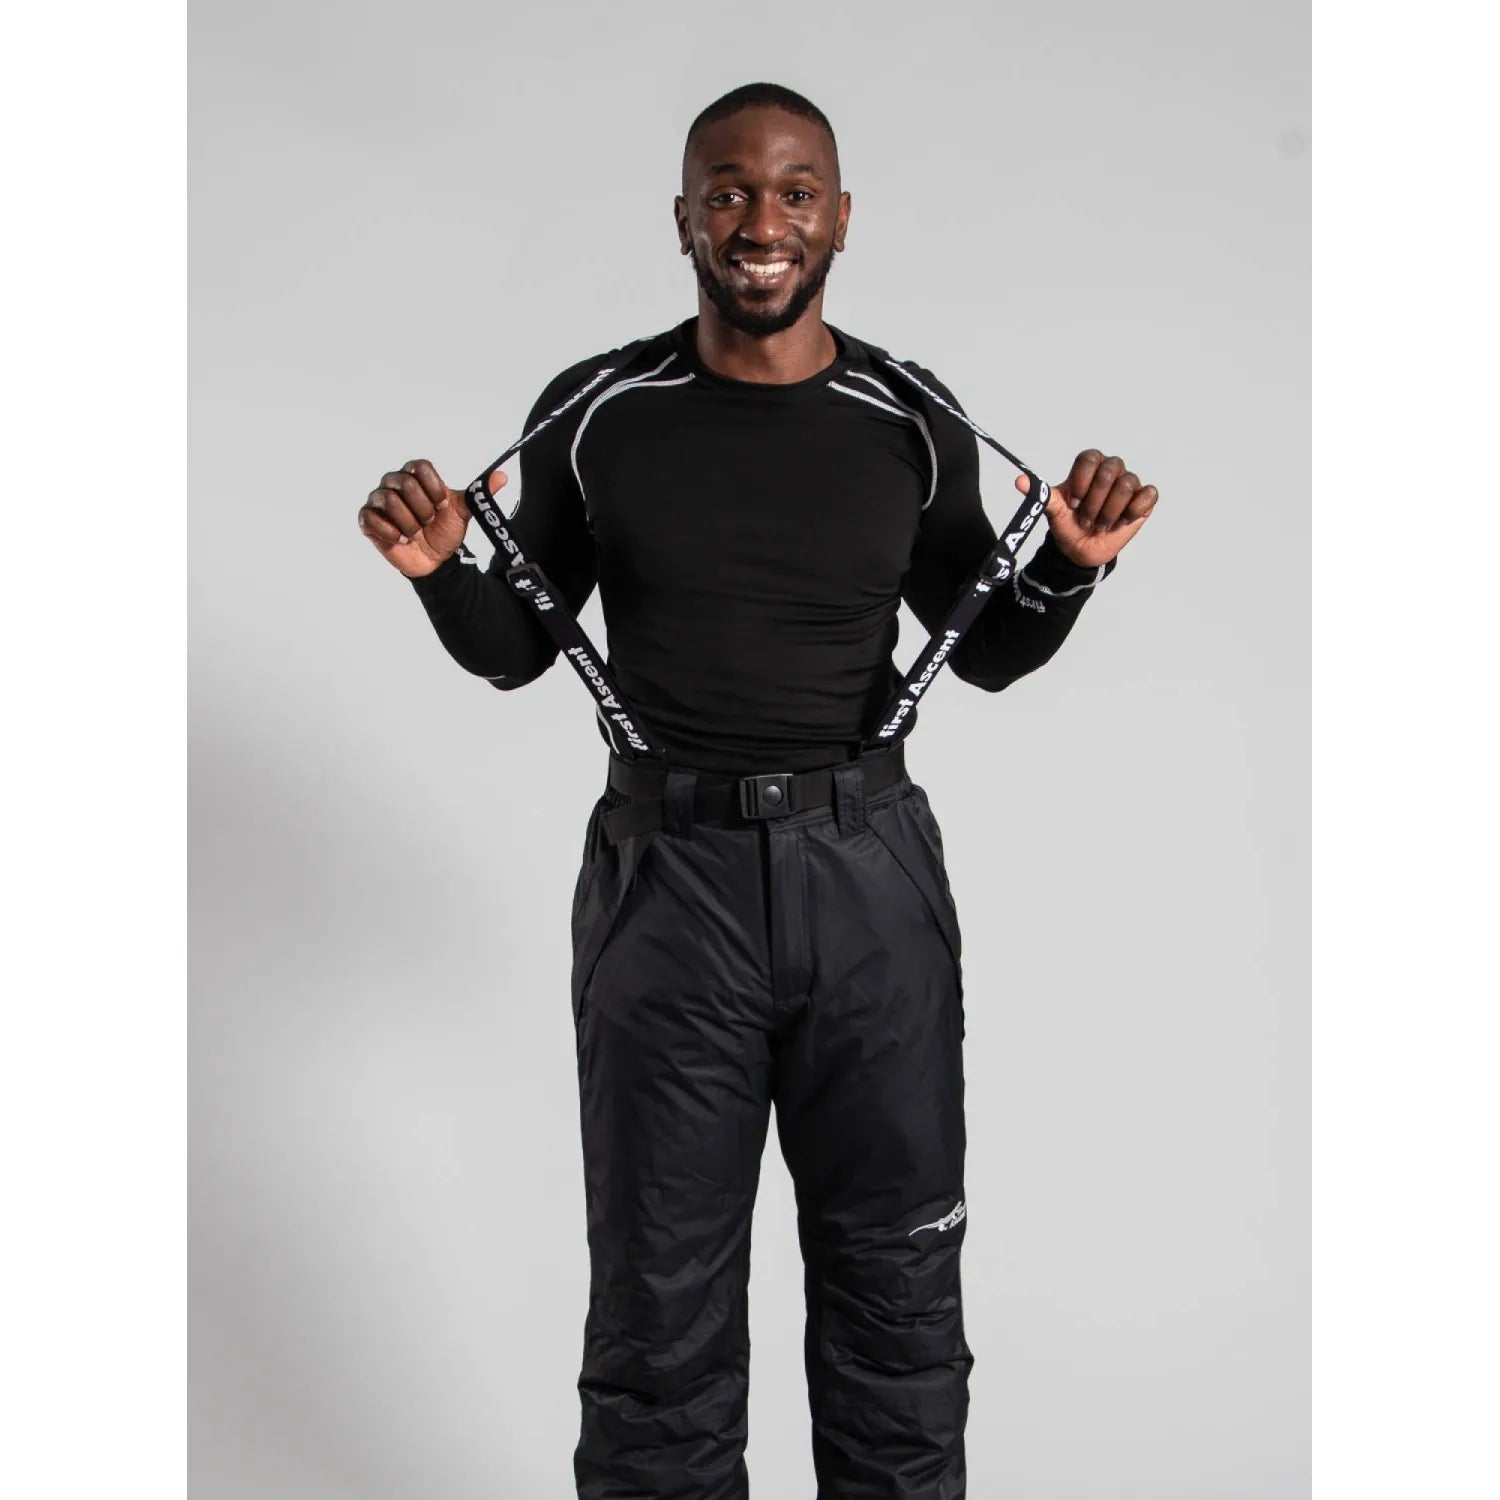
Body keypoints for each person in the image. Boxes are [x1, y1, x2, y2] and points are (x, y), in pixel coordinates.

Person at [358, 81, 1158, 1500]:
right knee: (659, 1309)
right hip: (668, 888)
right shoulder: (602, 413)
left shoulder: (909, 416)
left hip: (870, 884)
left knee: (897, 1294)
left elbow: (988, 654)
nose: (761, 222)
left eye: (794, 193)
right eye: (728, 192)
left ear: (841, 218)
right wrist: (440, 578)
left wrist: (1069, 566)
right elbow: (518, 651)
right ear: (683, 219)